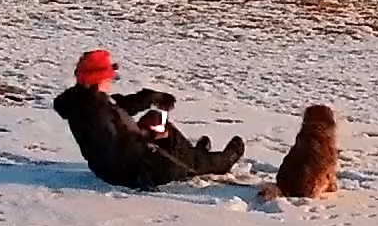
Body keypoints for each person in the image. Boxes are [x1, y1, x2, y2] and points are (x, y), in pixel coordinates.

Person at [52, 49, 244, 190]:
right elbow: (115, 147)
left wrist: (151, 97)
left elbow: (120, 108)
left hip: (119, 167)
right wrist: (149, 135)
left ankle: (192, 154)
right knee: (172, 142)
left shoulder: (88, 100)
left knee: (157, 120)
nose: (111, 79)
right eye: (109, 75)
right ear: (99, 78)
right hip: (132, 172)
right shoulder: (94, 111)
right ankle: (218, 162)